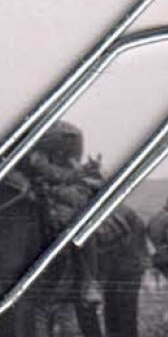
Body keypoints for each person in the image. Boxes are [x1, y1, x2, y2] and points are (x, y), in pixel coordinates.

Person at [23, 120, 105, 306]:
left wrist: (77, 175)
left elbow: (59, 174)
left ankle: (88, 281)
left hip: (54, 194)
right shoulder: (30, 134)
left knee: (78, 226)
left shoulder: (68, 135)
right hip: (27, 188)